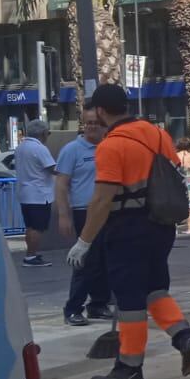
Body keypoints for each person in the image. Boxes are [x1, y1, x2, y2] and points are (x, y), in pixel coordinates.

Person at [68, 84, 190, 379]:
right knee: (154, 289)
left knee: (130, 300)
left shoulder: (111, 146)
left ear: (101, 111)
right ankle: (187, 339)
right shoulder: (158, 134)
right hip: (161, 225)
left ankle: (129, 368)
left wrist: (84, 241)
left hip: (127, 229)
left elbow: (103, 199)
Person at [56, 111, 113, 326]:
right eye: (88, 123)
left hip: (108, 210)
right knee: (85, 261)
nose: (92, 127)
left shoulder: (109, 147)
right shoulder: (72, 150)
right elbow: (61, 184)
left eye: (97, 123)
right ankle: (73, 308)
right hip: (83, 211)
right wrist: (63, 215)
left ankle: (98, 304)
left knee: (105, 260)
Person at [15, 119, 56, 268]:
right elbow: (53, 168)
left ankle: (30, 253)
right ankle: (31, 256)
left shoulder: (21, 147)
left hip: (25, 194)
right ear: (43, 133)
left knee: (30, 226)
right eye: (48, 133)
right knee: (37, 227)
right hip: (39, 194)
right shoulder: (40, 149)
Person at [175, 136, 190, 235]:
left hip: (178, 180)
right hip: (189, 180)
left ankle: (175, 227)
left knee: (176, 203)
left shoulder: (175, 155)